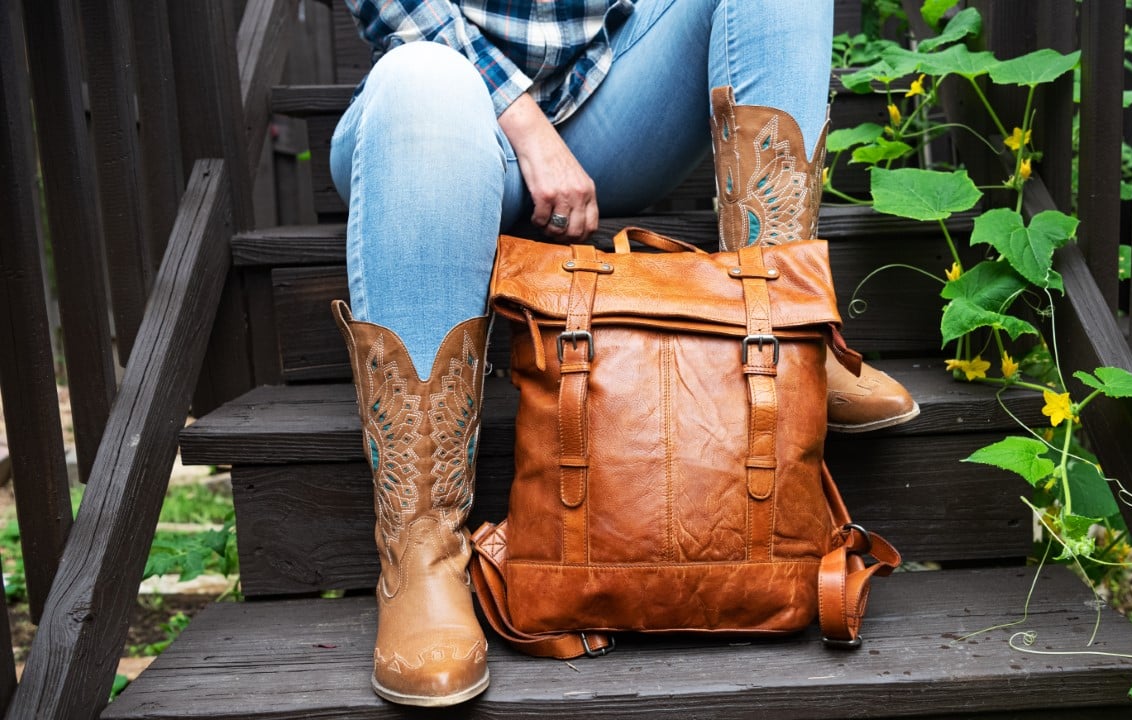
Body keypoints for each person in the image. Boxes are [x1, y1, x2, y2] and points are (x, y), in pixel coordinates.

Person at [328, 0, 919, 707]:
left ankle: (784, 333)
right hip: (433, 120)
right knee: (423, 78)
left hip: (604, 99)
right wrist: (528, 129)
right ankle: (421, 554)